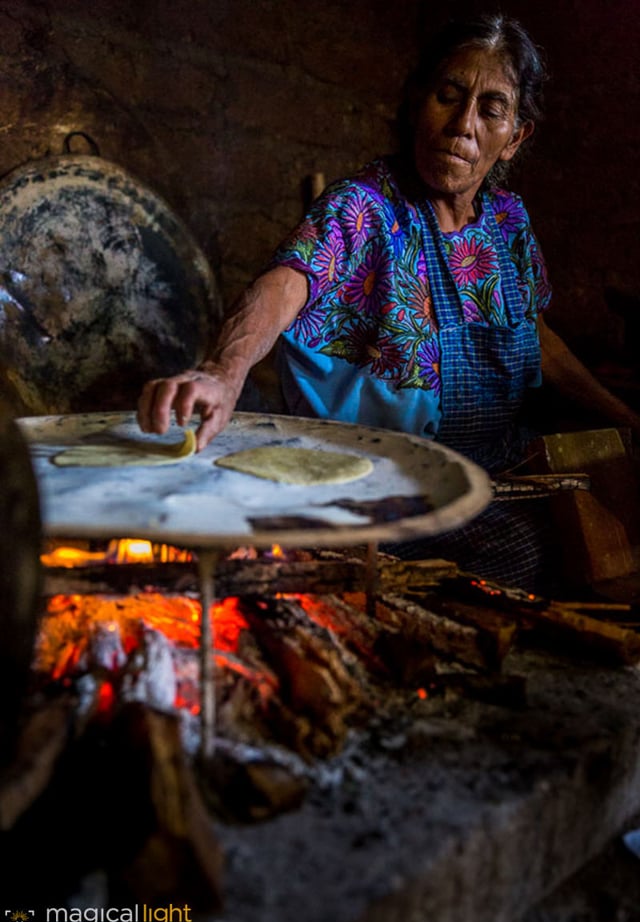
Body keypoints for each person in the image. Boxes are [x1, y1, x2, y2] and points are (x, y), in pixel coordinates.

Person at [137, 13, 640, 592]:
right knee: (520, 560)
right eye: (447, 97)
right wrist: (222, 374)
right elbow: (284, 285)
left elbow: (535, 336)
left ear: (515, 137)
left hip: (497, 476)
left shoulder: (509, 225)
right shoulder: (366, 207)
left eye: (491, 109)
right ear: (415, 102)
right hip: (385, 485)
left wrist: (624, 417)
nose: (462, 126)